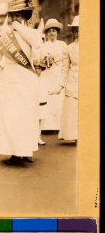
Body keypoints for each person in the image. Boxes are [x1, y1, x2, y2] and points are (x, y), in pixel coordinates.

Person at [0, 0, 43, 164]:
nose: (15, 19)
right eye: (13, 15)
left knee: (27, 115)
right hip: (10, 78)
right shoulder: (5, 35)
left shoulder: (31, 33)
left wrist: (20, 28)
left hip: (26, 78)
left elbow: (37, 44)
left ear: (25, 16)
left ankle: (26, 150)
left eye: (19, 15)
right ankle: (14, 152)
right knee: (11, 115)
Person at [49, 15, 79, 144]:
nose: (77, 32)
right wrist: (59, 87)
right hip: (73, 84)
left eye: (80, 29)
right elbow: (64, 70)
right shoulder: (68, 48)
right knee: (73, 112)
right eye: (75, 30)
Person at [40, 19, 67, 131]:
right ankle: (48, 126)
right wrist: (46, 60)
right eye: (49, 31)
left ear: (57, 32)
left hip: (58, 73)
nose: (52, 33)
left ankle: (58, 125)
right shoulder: (43, 46)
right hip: (47, 74)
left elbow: (65, 60)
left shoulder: (62, 44)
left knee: (59, 99)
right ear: (46, 33)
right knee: (48, 98)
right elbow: (40, 60)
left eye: (54, 31)